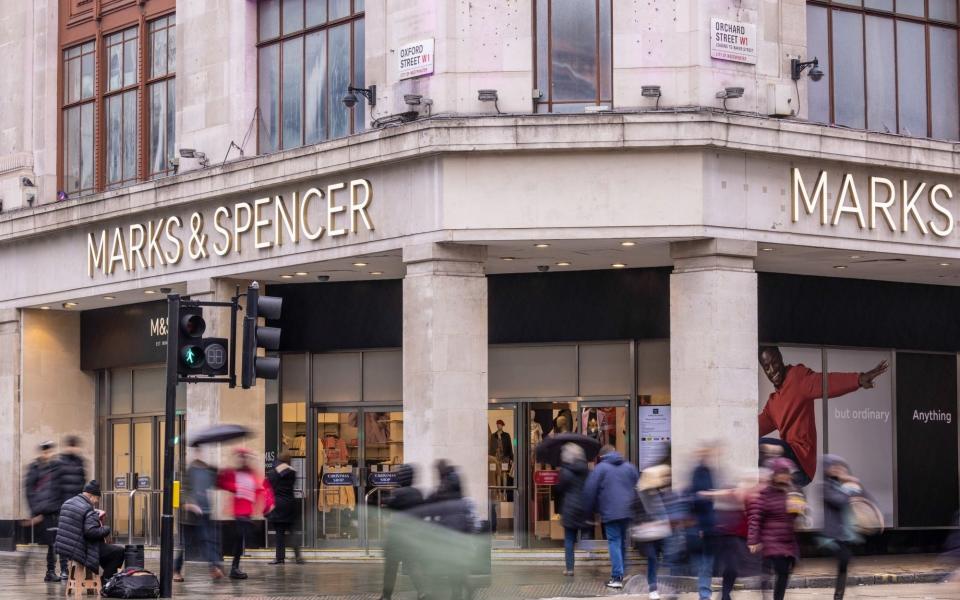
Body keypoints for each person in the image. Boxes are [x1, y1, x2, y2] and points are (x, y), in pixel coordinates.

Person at [758, 346, 887, 486]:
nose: (772, 370)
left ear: (781, 359)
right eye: (767, 367)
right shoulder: (773, 404)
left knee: (761, 447)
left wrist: (858, 379)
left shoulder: (797, 378)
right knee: (753, 449)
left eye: (775, 363)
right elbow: (752, 428)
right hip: (789, 468)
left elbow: (826, 382)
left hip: (801, 460)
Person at [583, 444, 640, 589]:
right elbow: (638, 486)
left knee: (614, 542)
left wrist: (589, 513)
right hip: (627, 511)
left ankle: (617, 577)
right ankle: (623, 571)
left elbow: (590, 491)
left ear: (601, 457)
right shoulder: (629, 467)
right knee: (622, 542)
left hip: (610, 511)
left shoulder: (601, 469)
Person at [217, 448, 274, 579]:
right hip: (239, 514)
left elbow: (260, 489)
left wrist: (266, 505)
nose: (244, 460)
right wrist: (236, 486)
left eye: (245, 458)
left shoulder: (251, 474)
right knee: (241, 539)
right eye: (242, 458)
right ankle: (235, 568)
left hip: (247, 513)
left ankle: (235, 568)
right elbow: (223, 483)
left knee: (242, 539)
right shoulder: (234, 474)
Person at [748, 458, 801, 600]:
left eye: (787, 473)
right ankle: (766, 590)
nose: (785, 476)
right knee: (779, 568)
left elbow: (796, 516)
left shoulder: (792, 491)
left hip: (787, 539)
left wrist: (799, 509)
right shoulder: (765, 493)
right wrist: (753, 539)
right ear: (774, 474)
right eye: (781, 473)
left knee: (784, 572)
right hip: (770, 539)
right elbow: (755, 517)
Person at [55, 481, 124, 585]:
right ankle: (106, 583)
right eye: (97, 499)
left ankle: (107, 579)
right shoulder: (87, 508)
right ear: (91, 496)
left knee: (107, 552)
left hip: (67, 548)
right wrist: (106, 529)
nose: (95, 502)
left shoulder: (68, 503)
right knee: (119, 552)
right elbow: (91, 532)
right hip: (81, 549)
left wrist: (94, 516)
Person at [174, 452, 223, 581]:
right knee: (184, 544)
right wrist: (188, 504)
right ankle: (176, 571)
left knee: (208, 541)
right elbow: (179, 492)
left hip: (204, 514)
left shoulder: (206, 471)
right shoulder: (183, 472)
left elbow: (215, 483)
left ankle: (214, 568)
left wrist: (213, 470)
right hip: (187, 516)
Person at [380, 463, 425, 600]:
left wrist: (384, 501)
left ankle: (386, 596)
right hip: (411, 536)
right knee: (412, 565)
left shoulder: (398, 493)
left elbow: (389, 507)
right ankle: (422, 591)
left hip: (396, 537)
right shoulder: (417, 493)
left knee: (390, 569)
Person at [24, 441, 66, 582]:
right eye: (45, 451)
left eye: (49, 451)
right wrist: (35, 511)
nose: (47, 454)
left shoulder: (56, 467)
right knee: (51, 543)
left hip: (55, 510)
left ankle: (57, 571)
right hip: (42, 513)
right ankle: (50, 571)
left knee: (56, 542)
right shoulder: (34, 468)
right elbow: (29, 491)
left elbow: (61, 489)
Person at [822, 455, 862, 600]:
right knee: (844, 560)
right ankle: (838, 596)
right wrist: (849, 485)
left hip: (845, 534)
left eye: (840, 467)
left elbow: (862, 497)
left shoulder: (843, 485)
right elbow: (839, 500)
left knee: (844, 565)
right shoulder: (825, 486)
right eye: (834, 467)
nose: (837, 470)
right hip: (832, 536)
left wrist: (853, 486)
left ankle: (839, 595)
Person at [636, 463, 675, 600]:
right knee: (652, 558)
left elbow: (666, 508)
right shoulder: (639, 494)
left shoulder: (660, 491)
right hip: (647, 534)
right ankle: (653, 587)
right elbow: (635, 511)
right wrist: (645, 521)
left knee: (663, 559)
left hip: (661, 531)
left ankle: (665, 587)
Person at [687, 445, 718, 600]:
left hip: (708, 525)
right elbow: (696, 499)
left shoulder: (707, 471)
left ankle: (705, 593)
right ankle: (704, 594)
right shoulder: (699, 473)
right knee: (704, 564)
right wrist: (699, 525)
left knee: (706, 563)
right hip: (702, 526)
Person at [555, 443, 589, 576]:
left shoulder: (565, 471)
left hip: (569, 508)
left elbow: (559, 489)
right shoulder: (585, 470)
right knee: (583, 533)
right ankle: (588, 549)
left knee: (569, 539)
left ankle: (570, 569)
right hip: (582, 506)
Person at [267, 451, 304, 565]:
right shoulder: (292, 472)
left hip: (278, 504)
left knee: (279, 532)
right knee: (292, 531)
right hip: (290, 504)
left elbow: (270, 487)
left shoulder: (273, 472)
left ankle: (280, 558)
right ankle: (298, 557)